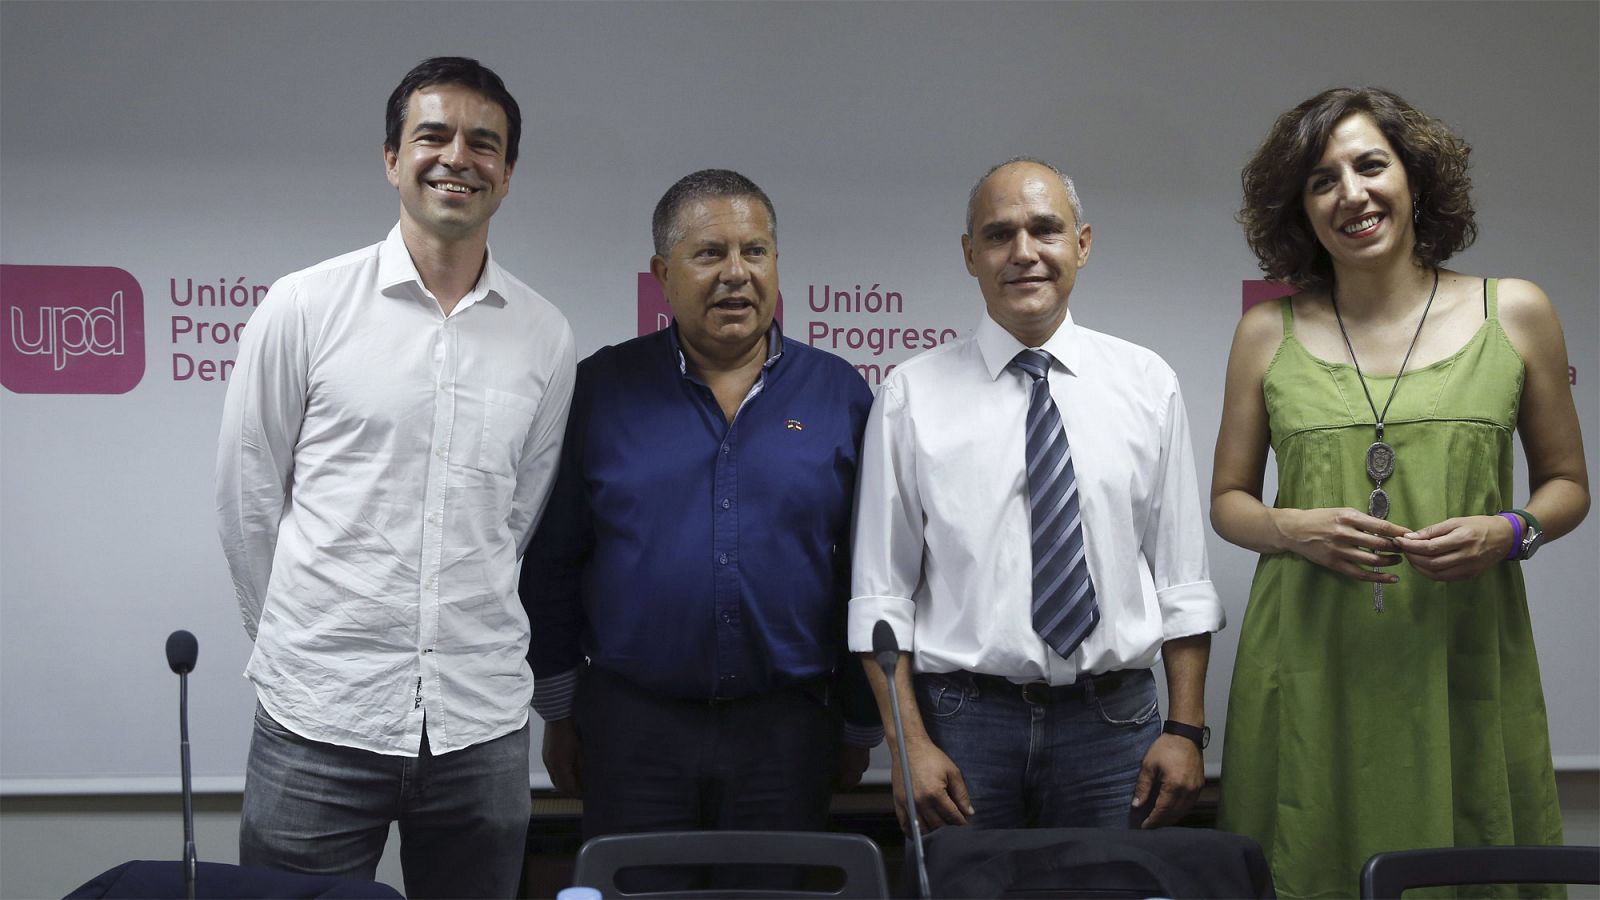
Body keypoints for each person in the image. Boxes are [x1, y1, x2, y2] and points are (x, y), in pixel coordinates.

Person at [1212, 87, 1589, 898]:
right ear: (1299, 210)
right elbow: (1229, 502)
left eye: (1370, 165)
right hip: (1307, 664)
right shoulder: (1264, 331)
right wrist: (1291, 528)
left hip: (1460, 655)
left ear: (1414, 180)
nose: (1350, 193)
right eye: (1321, 179)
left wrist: (1511, 530)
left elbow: (1567, 486)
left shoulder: (1515, 311)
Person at [215, 57, 575, 898]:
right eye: (433, 135)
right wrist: (304, 648)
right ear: (391, 158)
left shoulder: (546, 335)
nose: (459, 156)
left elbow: (515, 515)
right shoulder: (305, 307)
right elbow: (248, 502)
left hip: (477, 724)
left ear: (509, 174)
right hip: (319, 718)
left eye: (484, 143)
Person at [849, 157, 1224, 835]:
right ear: (970, 255)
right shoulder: (911, 394)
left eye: (1045, 230)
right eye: (998, 235)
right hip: (962, 727)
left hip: (1115, 728)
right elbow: (881, 597)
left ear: (1082, 243)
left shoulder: (1147, 383)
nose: (1023, 253)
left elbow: (1182, 580)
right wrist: (909, 746)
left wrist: (1188, 730)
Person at [520, 169, 881, 846]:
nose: (736, 274)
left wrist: (858, 723)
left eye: (755, 251)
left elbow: (865, 573)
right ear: (663, 272)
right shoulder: (601, 390)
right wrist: (561, 713)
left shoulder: (839, 394)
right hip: (633, 731)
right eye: (709, 253)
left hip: (790, 730)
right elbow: (555, 561)